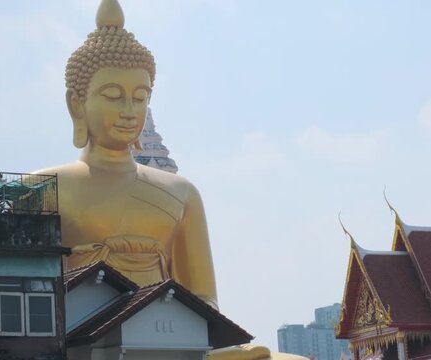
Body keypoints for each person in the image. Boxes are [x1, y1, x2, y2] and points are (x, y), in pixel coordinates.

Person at [37, 1, 306, 359]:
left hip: (172, 336)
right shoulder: (42, 188)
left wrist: (211, 349)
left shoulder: (181, 192)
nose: (129, 111)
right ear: (76, 104)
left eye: (140, 97)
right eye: (113, 96)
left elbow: (204, 302)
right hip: (78, 339)